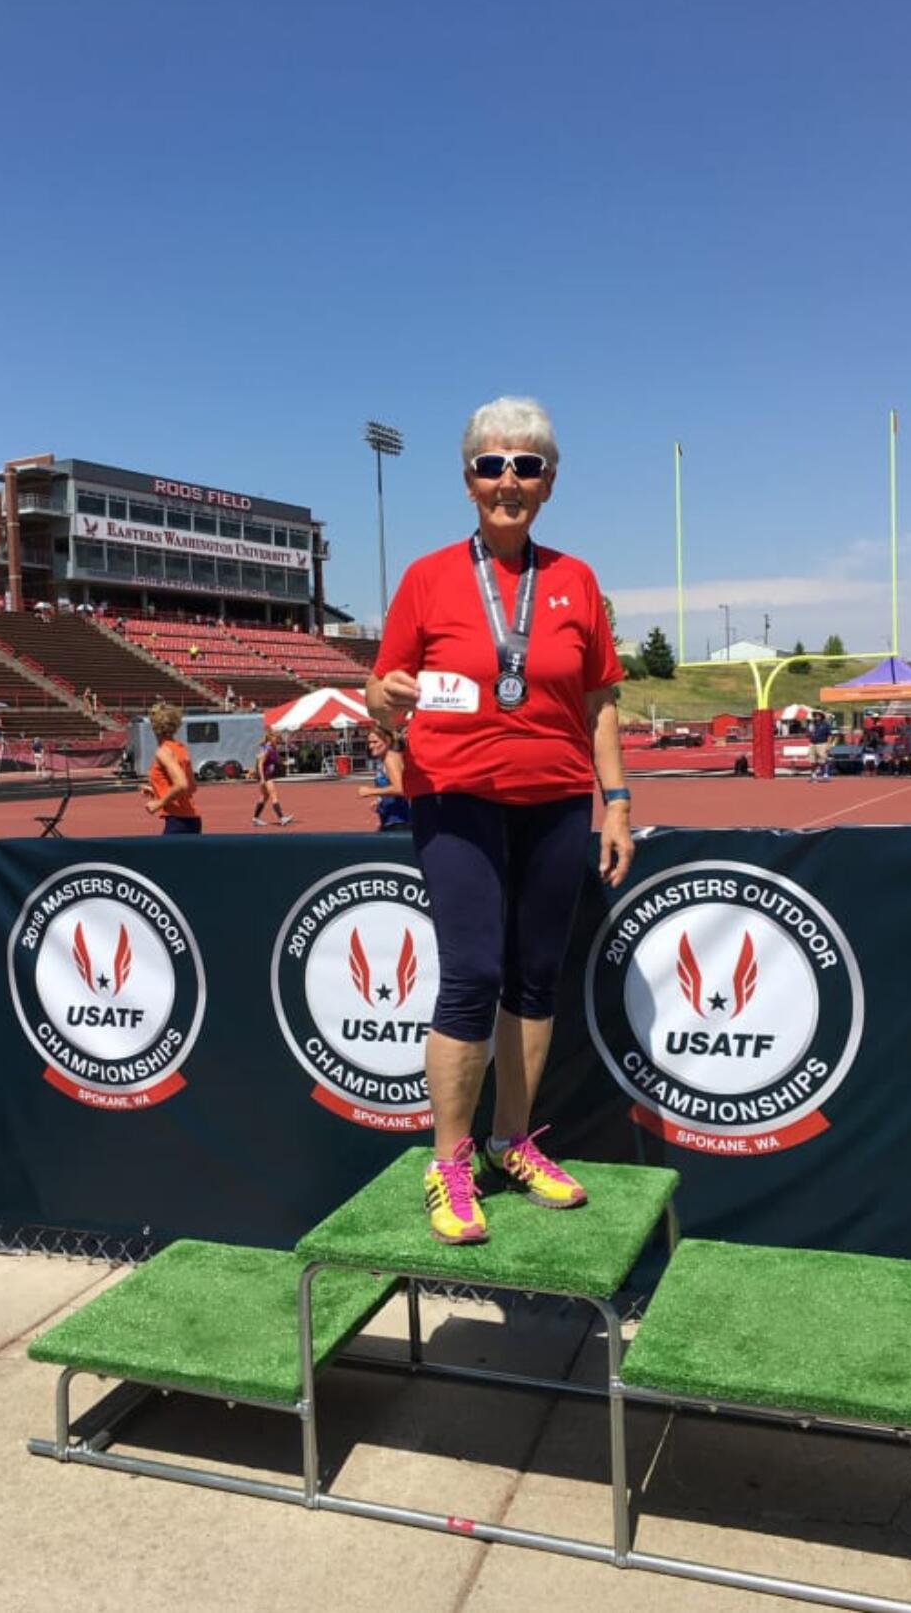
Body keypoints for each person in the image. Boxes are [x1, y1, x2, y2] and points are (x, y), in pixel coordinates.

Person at [368, 396, 632, 1245]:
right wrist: (389, 697)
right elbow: (380, 688)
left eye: (526, 465)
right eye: (492, 464)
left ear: (549, 482)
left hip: (556, 797)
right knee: (472, 973)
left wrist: (617, 800)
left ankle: (511, 1141)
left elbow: (600, 702)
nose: (508, 480)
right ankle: (448, 1160)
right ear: (468, 478)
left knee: (533, 978)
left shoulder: (577, 580)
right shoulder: (426, 577)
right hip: (455, 796)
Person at [142, 703, 202, 834]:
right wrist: (156, 790)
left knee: (164, 854)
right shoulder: (180, 748)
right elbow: (192, 787)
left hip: (178, 821)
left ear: (154, 727)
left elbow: (181, 785)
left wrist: (159, 803)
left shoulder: (163, 752)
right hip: (192, 819)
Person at [358, 725, 411, 829]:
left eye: (375, 742)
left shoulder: (390, 759)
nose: (371, 746)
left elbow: (401, 788)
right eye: (369, 742)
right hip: (390, 820)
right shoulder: (386, 758)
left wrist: (371, 791)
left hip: (400, 822)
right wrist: (380, 800)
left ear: (387, 741)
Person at [251, 730, 293, 827]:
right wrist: (261, 779)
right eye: (276, 738)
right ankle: (282, 818)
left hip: (267, 775)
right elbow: (260, 764)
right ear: (271, 738)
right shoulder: (266, 749)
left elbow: (277, 760)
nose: (278, 740)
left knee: (264, 798)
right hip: (265, 776)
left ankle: (255, 819)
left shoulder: (273, 749)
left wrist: (285, 763)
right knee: (274, 795)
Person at [807, 712, 833, 781]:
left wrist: (828, 744)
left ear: (821, 716)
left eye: (818, 715)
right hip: (812, 744)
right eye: (815, 715)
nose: (816, 717)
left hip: (822, 744)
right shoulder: (812, 724)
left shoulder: (826, 725)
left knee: (823, 760)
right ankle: (813, 775)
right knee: (812, 760)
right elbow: (809, 733)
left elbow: (829, 735)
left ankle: (825, 774)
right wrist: (810, 731)